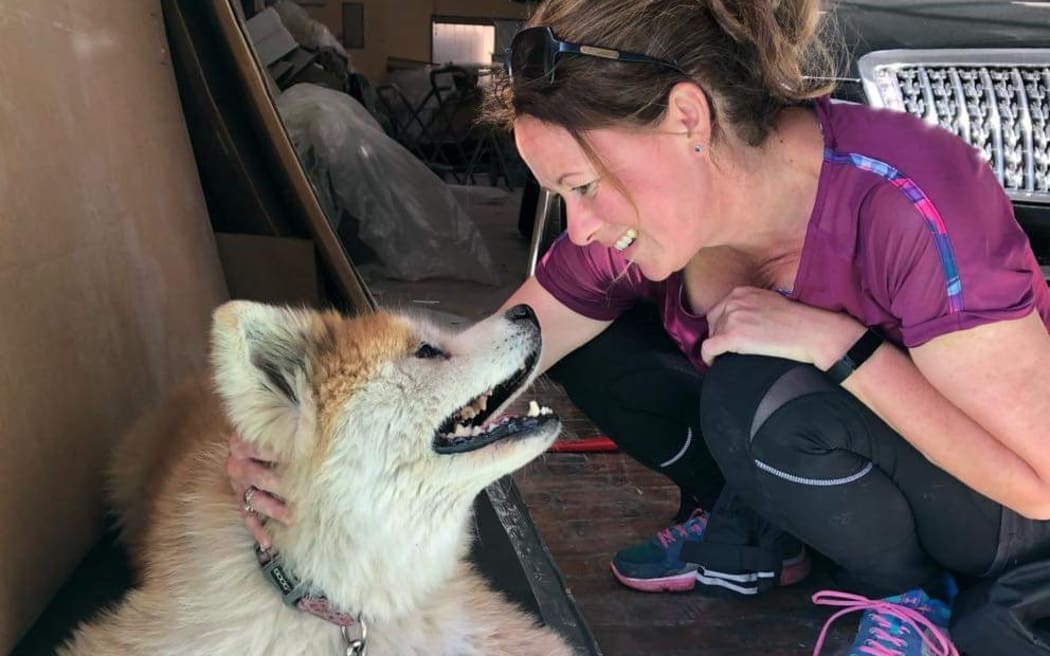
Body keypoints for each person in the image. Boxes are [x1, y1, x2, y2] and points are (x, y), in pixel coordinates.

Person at [227, 1, 1050, 653]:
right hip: (843, 457)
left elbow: (1041, 482)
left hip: (1004, 510)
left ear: (687, 119)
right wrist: (313, 448)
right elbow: (501, 348)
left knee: (754, 395)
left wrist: (840, 345)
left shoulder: (910, 197)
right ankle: (761, 528)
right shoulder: (655, 219)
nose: (579, 227)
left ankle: (907, 594)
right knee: (565, 352)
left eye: (583, 186)